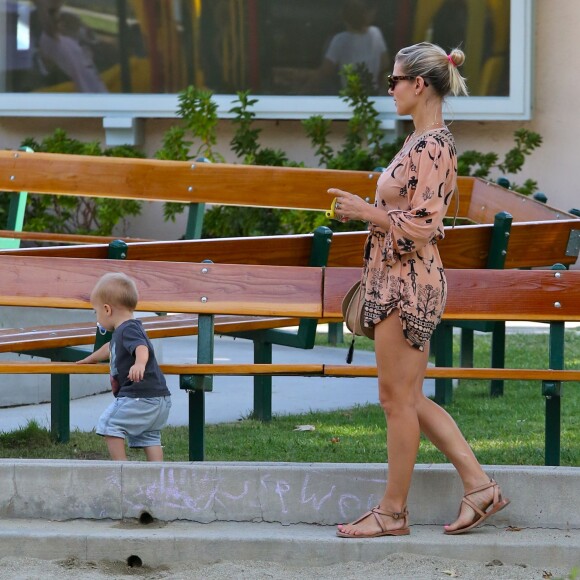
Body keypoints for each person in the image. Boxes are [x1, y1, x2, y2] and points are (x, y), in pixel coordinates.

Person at [328, 42, 510, 538]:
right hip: (400, 280)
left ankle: (392, 513)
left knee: (396, 401)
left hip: (408, 285)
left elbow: (422, 224)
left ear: (419, 85)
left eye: (394, 81)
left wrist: (363, 212)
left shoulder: (432, 146)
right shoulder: (421, 143)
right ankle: (479, 487)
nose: (389, 89)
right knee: (407, 397)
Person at [77, 272, 171, 461]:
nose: (97, 317)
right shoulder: (127, 330)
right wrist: (90, 359)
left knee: (110, 425)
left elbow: (142, 347)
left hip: (139, 397)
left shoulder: (128, 329)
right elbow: (108, 348)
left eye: (96, 312)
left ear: (107, 309)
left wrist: (139, 363)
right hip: (159, 398)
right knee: (149, 436)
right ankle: (158, 479)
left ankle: (122, 471)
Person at [310, 0, 390, 94]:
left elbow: (326, 71)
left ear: (345, 18)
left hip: (351, 96)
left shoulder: (339, 40)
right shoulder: (376, 33)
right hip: (372, 94)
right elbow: (385, 63)